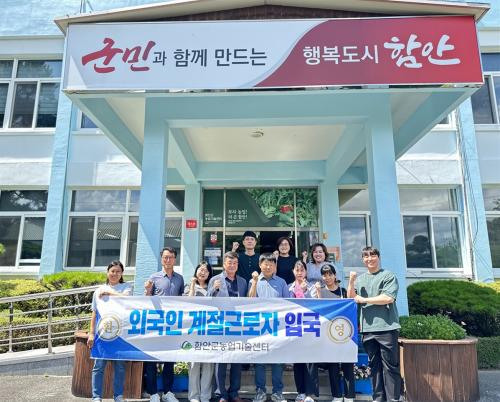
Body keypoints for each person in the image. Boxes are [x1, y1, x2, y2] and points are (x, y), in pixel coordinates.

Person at [347, 246, 402, 402]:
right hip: (367, 329)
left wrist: (364, 300)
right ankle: (378, 399)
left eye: (372, 255)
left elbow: (388, 298)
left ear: (378, 257)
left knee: (390, 367)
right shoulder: (360, 279)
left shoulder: (388, 276)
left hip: (386, 328)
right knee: (374, 367)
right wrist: (351, 281)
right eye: (366, 256)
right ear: (362, 259)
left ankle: (393, 399)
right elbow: (351, 297)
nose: (369, 259)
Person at [87, 260, 133, 402]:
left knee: (120, 367)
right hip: (102, 334)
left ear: (122, 273)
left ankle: (118, 396)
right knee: (98, 366)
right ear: (107, 272)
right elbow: (94, 313)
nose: (115, 274)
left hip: (121, 334)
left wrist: (109, 292)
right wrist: (91, 333)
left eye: (118, 271)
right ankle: (96, 397)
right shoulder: (98, 290)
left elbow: (127, 299)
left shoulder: (127, 287)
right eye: (112, 271)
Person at [144, 247, 185, 402]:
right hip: (156, 324)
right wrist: (148, 291)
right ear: (161, 259)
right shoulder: (153, 278)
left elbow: (182, 300)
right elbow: (147, 300)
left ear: (175, 259)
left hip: (172, 325)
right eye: (165, 257)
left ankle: (168, 392)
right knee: (151, 360)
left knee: (170, 359)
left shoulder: (179, 278)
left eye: (171, 257)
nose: (168, 260)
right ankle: (153, 393)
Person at [248, 253, 289, 402]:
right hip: (259, 327)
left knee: (278, 361)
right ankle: (260, 391)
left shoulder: (281, 282)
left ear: (275, 266)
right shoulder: (253, 281)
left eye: (271, 264)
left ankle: (278, 392)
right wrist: (254, 283)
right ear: (260, 265)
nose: (268, 267)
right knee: (260, 361)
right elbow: (248, 301)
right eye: (265, 264)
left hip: (278, 328)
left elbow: (288, 303)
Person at [207, 252, 248, 402]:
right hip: (221, 325)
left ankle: (234, 393)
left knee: (237, 360)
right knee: (221, 361)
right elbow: (207, 300)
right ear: (224, 264)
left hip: (238, 326)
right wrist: (214, 289)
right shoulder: (215, 280)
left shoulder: (243, 281)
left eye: (235, 263)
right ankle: (221, 394)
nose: (232, 266)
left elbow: (247, 302)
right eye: (229, 263)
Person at [314, 264, 355, 402]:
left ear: (335, 275)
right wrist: (318, 293)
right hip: (328, 333)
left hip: (345, 332)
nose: (327, 277)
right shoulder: (321, 291)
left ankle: (349, 396)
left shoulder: (342, 291)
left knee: (347, 364)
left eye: (330, 274)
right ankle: (336, 395)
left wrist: (351, 281)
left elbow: (351, 304)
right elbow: (319, 311)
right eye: (324, 275)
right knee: (333, 365)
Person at [184, 261, 214, 402]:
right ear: (196, 271)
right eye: (201, 270)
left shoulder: (213, 287)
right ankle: (194, 396)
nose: (203, 273)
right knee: (194, 364)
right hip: (193, 331)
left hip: (209, 330)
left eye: (206, 271)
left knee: (208, 364)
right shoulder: (188, 286)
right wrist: (192, 285)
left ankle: (205, 396)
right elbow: (187, 302)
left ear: (209, 274)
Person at [288, 260, 318, 402]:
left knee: (311, 361)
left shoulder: (312, 287)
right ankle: (300, 391)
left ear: (306, 272)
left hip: (310, 328)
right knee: (298, 361)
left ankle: (310, 393)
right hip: (294, 329)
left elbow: (316, 305)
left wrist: (305, 292)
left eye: (302, 270)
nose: (299, 273)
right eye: (297, 270)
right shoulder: (288, 287)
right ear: (293, 271)